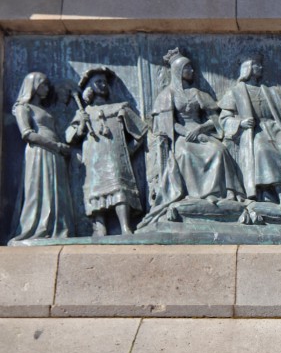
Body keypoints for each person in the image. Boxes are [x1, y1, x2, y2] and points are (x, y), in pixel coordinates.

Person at [150, 48, 245, 210]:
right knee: (185, 155)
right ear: (178, 71)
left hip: (201, 132)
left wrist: (200, 129)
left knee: (219, 150)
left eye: (191, 67)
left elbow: (214, 119)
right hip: (182, 136)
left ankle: (222, 192)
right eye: (187, 68)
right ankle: (196, 195)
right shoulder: (167, 95)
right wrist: (187, 133)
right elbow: (167, 123)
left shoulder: (197, 93)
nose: (192, 71)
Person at [219, 53, 281, 208]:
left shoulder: (271, 91)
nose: (260, 67)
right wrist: (240, 123)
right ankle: (280, 194)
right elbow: (224, 119)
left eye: (260, 65)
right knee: (264, 151)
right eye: (256, 65)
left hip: (275, 128)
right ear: (247, 68)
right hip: (254, 132)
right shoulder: (236, 92)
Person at [66, 67, 147, 236]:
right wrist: (82, 124)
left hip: (115, 155)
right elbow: (70, 138)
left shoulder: (120, 108)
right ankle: (99, 226)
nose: (102, 85)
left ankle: (125, 226)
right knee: (95, 190)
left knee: (119, 186)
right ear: (89, 87)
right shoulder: (83, 112)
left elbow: (141, 132)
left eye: (104, 82)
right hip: (93, 158)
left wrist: (128, 150)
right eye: (98, 82)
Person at [10, 72, 74, 241]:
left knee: (56, 193)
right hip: (39, 152)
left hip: (56, 155)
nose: (47, 88)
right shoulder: (23, 107)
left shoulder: (44, 109)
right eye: (43, 84)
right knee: (39, 192)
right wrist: (55, 146)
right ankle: (37, 228)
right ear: (34, 85)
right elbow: (27, 134)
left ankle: (58, 229)